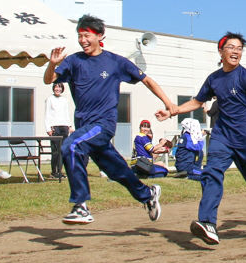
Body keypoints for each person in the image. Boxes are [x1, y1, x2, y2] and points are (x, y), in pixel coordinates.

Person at [44, 14, 174, 226]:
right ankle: (148, 194)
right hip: (85, 127)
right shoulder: (74, 61)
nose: (82, 40)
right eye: (79, 36)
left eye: (87, 35)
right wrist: (52, 65)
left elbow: (147, 80)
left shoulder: (115, 62)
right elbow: (49, 79)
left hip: (102, 125)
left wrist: (169, 104)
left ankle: (81, 205)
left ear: (100, 35)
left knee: (72, 145)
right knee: (118, 172)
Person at [157, 32, 246, 245]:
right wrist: (174, 111)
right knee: (211, 172)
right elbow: (197, 102)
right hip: (221, 137)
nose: (236, 51)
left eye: (239, 48)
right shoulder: (214, 79)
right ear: (221, 51)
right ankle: (207, 223)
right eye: (231, 47)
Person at [44, 82, 72, 179]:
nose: (58, 89)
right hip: (54, 127)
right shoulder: (50, 99)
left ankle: (60, 171)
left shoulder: (64, 100)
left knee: (63, 151)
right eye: (56, 87)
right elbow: (47, 114)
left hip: (64, 127)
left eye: (59, 87)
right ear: (53, 88)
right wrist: (48, 128)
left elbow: (66, 113)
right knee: (55, 151)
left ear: (62, 89)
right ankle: (53, 172)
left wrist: (70, 125)